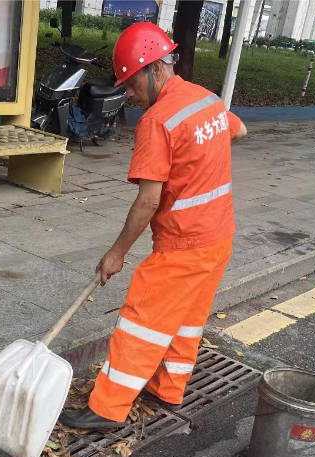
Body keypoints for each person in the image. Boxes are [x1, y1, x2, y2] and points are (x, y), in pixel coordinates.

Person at [59, 22, 248, 429]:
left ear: (155, 70)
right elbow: (240, 131)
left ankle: (106, 409)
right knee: (186, 321)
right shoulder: (207, 100)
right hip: (220, 238)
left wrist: (117, 253)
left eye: (130, 83)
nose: (127, 94)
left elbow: (148, 201)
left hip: (184, 244)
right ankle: (168, 389)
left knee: (140, 321)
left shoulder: (158, 121)